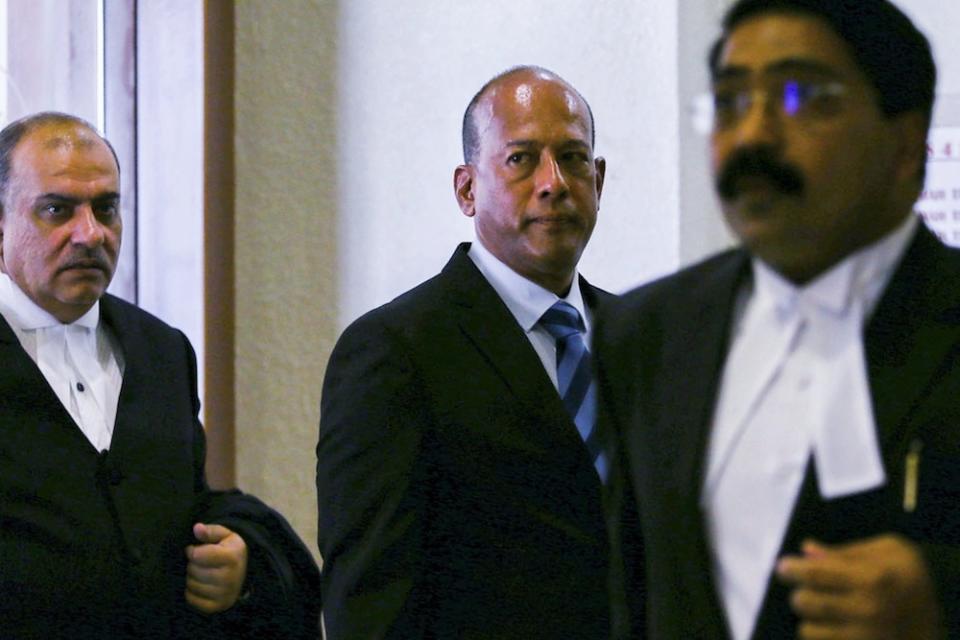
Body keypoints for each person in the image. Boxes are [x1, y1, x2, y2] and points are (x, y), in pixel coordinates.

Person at [594, 1, 960, 638]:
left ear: (904, 147)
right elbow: (633, 593)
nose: (755, 134)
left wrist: (945, 600)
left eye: (805, 96)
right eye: (731, 101)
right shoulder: (646, 331)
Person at [317, 65, 613, 638]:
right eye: (521, 159)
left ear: (598, 180)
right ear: (467, 189)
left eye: (573, 158)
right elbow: (369, 603)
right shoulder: (392, 352)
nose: (553, 181)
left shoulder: (640, 339)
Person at [0, 112, 320, 639]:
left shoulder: (160, 350)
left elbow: (184, 502)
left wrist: (240, 561)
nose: (90, 234)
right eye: (57, 210)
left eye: (106, 208)